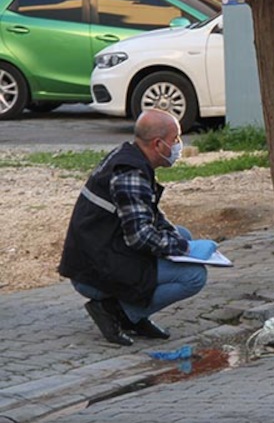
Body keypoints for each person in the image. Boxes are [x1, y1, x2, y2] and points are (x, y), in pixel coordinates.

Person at [59, 110, 217, 346]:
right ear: (158, 144)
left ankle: (135, 311)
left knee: (181, 233)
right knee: (194, 276)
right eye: (175, 140)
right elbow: (140, 236)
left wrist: (175, 237)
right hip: (93, 269)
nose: (178, 146)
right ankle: (120, 312)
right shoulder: (131, 172)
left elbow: (147, 212)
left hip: (101, 249)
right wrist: (184, 249)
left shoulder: (131, 157)